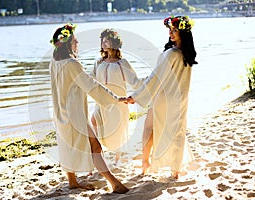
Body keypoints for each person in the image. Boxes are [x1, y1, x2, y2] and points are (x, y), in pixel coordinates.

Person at [49, 23, 129, 193]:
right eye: (75, 41)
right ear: (67, 43)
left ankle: (72, 181)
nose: (77, 44)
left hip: (59, 112)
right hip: (74, 115)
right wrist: (116, 98)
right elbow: (91, 86)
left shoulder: (54, 62)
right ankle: (114, 183)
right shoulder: (71, 63)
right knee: (95, 146)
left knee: (66, 145)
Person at [128, 16, 198, 179]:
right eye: (170, 30)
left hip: (164, 98)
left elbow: (155, 77)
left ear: (183, 33)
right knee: (178, 131)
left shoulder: (171, 53)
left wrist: (136, 96)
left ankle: (146, 162)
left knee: (149, 129)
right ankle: (176, 168)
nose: (171, 33)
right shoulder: (187, 55)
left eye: (175, 30)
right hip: (180, 99)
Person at [91, 29, 143, 165]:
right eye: (102, 40)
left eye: (106, 40)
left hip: (119, 103)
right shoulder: (98, 62)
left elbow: (135, 82)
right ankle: (98, 152)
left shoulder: (122, 63)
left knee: (118, 131)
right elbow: (92, 81)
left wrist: (148, 86)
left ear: (114, 43)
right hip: (102, 102)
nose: (103, 43)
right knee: (94, 121)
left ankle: (117, 158)